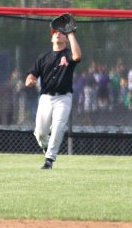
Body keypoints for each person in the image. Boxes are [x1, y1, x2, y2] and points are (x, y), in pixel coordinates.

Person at [25, 13, 82, 169]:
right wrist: (30, 79)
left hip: (63, 98)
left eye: (61, 32)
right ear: (51, 39)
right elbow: (32, 73)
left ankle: (49, 160)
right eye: (55, 32)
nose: (57, 33)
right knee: (40, 133)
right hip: (46, 98)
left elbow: (77, 55)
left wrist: (70, 33)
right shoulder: (43, 58)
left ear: (65, 38)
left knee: (58, 127)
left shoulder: (68, 54)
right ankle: (46, 146)